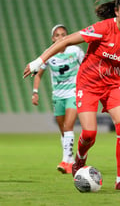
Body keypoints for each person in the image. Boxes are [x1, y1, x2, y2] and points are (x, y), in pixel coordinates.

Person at [23, 0, 120, 190]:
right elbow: (67, 40)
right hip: (88, 85)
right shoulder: (103, 28)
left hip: (114, 87)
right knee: (89, 133)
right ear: (116, 12)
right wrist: (39, 61)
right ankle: (79, 159)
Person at [31, 24, 84, 174]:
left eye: (63, 34)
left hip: (73, 93)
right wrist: (35, 92)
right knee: (63, 130)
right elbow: (38, 73)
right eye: (57, 35)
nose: (60, 37)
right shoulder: (50, 54)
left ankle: (65, 161)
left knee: (68, 126)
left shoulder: (76, 51)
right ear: (53, 38)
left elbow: (87, 66)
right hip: (58, 95)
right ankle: (71, 160)